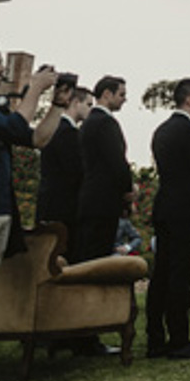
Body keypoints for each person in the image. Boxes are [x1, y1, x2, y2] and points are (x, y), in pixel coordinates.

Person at [0, 39, 68, 381]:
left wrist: (57, 105)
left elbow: (34, 139)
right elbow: (14, 128)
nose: (2, 71)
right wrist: (35, 88)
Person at [146, 78, 190, 360]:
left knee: (161, 274)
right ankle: (179, 340)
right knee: (182, 275)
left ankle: (155, 338)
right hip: (186, 210)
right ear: (189, 99)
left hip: (164, 207)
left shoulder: (161, 131)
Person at [75, 76, 133, 263]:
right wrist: (128, 190)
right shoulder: (106, 123)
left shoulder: (88, 123)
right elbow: (117, 162)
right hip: (104, 202)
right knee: (96, 257)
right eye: (121, 94)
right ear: (107, 94)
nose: (124, 99)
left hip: (90, 198)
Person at [36, 85, 93, 259]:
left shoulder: (55, 129)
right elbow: (75, 171)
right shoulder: (67, 132)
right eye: (89, 105)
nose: (91, 110)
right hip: (63, 206)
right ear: (76, 102)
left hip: (50, 201)